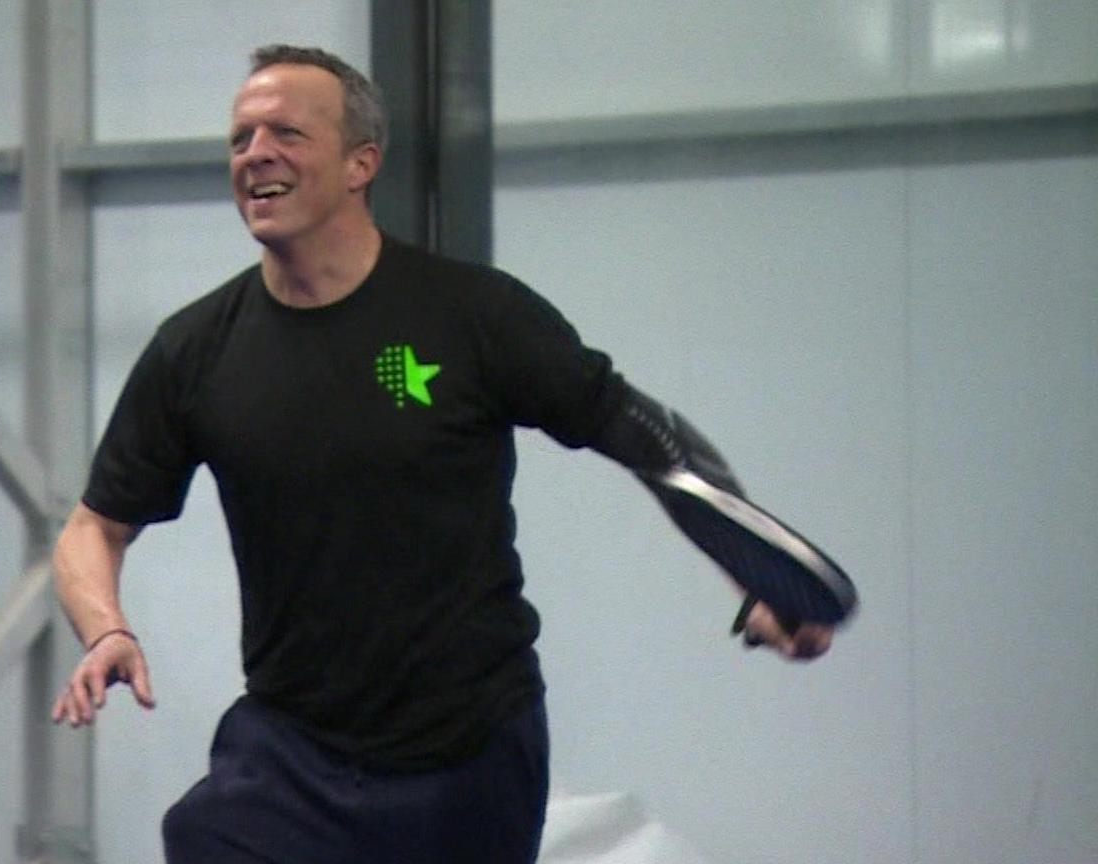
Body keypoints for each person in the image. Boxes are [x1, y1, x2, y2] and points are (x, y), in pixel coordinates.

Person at [49, 44, 834, 864]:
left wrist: (758, 568)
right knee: (205, 836)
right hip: (289, 752)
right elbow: (93, 528)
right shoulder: (196, 351)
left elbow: (644, 435)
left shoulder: (472, 317)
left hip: (469, 749)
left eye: (286, 132)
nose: (256, 155)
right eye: (241, 138)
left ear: (362, 163)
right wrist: (105, 628)